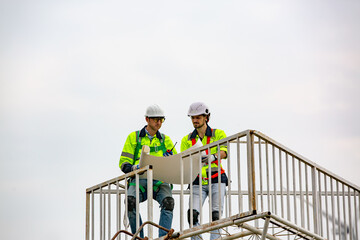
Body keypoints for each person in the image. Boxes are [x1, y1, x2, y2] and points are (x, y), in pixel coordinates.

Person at [119, 104, 177, 238]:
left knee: (168, 202)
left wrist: (171, 159)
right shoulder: (133, 137)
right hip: (139, 180)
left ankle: (163, 237)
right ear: (147, 119)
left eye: (161, 119)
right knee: (130, 202)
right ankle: (138, 236)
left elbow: (175, 162)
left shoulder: (165, 139)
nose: (159, 122)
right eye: (156, 119)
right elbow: (123, 164)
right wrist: (135, 168)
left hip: (160, 180)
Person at [180, 102, 228, 240]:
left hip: (216, 178)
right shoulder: (187, 139)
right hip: (196, 181)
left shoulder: (218, 134)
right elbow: (183, 160)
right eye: (193, 118)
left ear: (206, 117)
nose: (195, 120)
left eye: (198, 117)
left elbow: (225, 151)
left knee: (216, 216)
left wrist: (213, 156)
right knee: (192, 215)